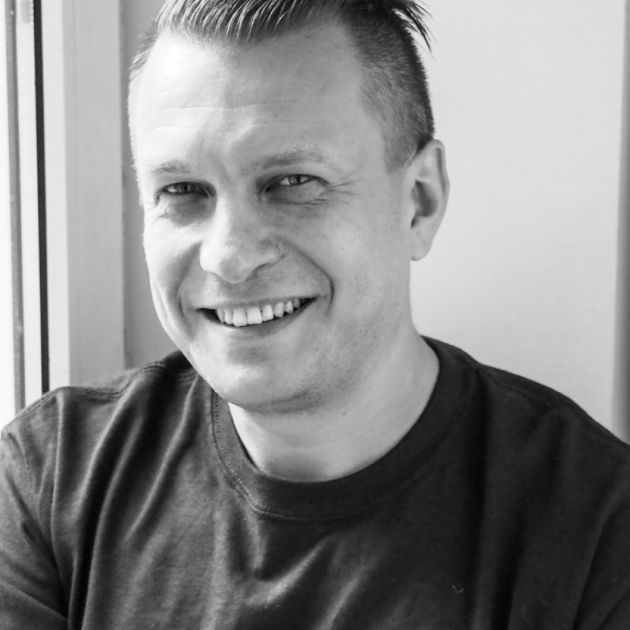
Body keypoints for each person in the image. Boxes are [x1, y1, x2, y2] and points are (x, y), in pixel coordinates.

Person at [1, 0, 629, 627]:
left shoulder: (599, 530)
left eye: (293, 182)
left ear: (419, 200)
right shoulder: (49, 478)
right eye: (182, 191)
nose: (230, 258)